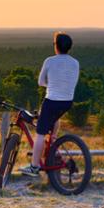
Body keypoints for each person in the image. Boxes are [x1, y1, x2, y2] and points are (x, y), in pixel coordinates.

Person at [19, 32, 79, 176]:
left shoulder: (49, 61)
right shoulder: (75, 63)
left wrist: (51, 85)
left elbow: (40, 82)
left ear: (56, 46)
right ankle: (52, 143)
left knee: (40, 133)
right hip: (67, 101)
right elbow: (72, 82)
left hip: (52, 100)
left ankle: (34, 167)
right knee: (55, 118)